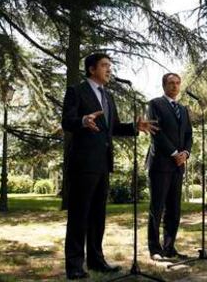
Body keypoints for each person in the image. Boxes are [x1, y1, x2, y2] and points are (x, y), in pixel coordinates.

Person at [62, 53, 157, 280]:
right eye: (105, 65)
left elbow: (112, 127)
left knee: (97, 215)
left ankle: (96, 260)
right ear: (91, 68)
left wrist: (135, 126)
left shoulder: (108, 96)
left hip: (103, 164)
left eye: (110, 66)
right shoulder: (76, 91)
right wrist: (83, 121)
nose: (109, 69)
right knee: (79, 215)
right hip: (83, 163)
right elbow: (67, 121)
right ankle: (74, 266)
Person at [146, 72, 193, 260]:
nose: (175, 86)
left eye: (177, 83)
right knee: (157, 207)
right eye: (171, 83)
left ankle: (169, 247)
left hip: (178, 166)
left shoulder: (183, 108)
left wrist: (186, 154)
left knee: (174, 209)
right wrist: (174, 153)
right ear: (164, 85)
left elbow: (189, 135)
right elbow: (156, 132)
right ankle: (155, 250)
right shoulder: (155, 104)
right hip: (161, 164)